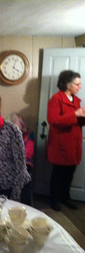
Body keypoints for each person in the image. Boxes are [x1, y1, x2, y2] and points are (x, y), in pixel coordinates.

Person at [47, 70, 85, 211]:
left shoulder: (76, 100)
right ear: (68, 84)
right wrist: (75, 114)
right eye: (77, 84)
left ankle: (65, 197)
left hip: (74, 144)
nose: (80, 87)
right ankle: (54, 200)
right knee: (58, 174)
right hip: (61, 144)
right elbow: (54, 121)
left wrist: (82, 117)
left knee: (69, 174)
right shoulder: (56, 99)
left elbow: (78, 122)